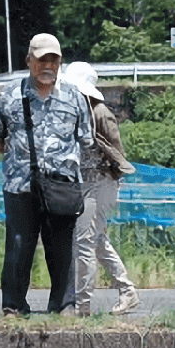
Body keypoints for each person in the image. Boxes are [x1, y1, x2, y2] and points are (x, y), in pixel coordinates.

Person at [0, 33, 92, 317]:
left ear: (60, 62)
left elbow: (85, 139)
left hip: (62, 186)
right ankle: (13, 306)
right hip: (20, 186)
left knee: (62, 249)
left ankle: (64, 306)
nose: (47, 65)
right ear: (28, 61)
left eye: (53, 60)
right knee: (18, 247)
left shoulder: (74, 97)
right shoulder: (9, 96)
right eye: (41, 59)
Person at [62, 61, 140, 317]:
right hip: (83, 182)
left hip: (101, 182)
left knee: (84, 240)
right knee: (96, 240)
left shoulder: (100, 112)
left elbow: (118, 152)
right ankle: (127, 291)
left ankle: (82, 306)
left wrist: (112, 177)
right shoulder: (73, 112)